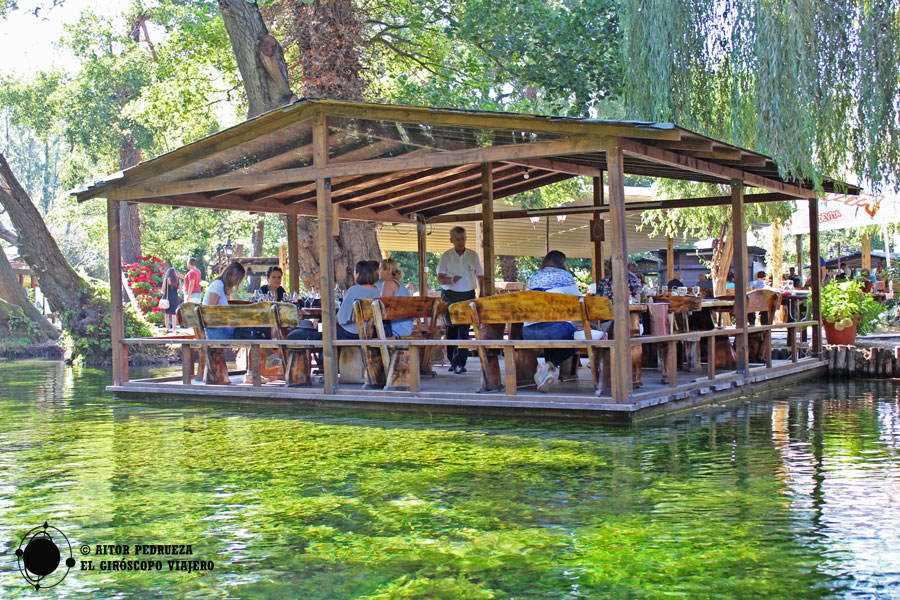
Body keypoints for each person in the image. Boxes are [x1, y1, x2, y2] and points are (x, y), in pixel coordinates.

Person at [523, 251, 582, 393]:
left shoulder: (534, 277)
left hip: (528, 333)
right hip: (554, 330)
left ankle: (545, 374)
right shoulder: (565, 276)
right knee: (577, 338)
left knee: (553, 332)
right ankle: (549, 365)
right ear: (562, 262)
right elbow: (580, 302)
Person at [287, 261, 383, 344]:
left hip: (349, 333)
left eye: (354, 272)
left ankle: (322, 361)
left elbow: (341, 317)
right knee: (324, 330)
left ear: (358, 274)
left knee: (323, 331)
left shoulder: (353, 290)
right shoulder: (376, 291)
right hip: (368, 332)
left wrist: (326, 324)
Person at [437, 226, 484, 374]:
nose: (461, 242)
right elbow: (439, 278)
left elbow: (480, 276)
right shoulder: (446, 256)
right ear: (451, 240)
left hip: (468, 295)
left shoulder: (473, 255)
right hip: (450, 295)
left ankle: (460, 363)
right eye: (457, 239)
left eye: (463, 239)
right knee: (451, 330)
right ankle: (452, 360)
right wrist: (450, 279)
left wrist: (481, 292)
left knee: (464, 331)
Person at [202, 261, 246, 339]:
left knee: (248, 331)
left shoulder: (222, 286)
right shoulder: (218, 285)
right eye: (237, 280)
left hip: (218, 328)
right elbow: (209, 310)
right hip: (215, 330)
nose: (236, 283)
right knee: (246, 333)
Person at [379, 257, 413, 337]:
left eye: (380, 269)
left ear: (387, 270)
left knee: (365, 333)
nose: (378, 272)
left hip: (395, 329)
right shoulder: (399, 284)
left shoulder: (388, 283)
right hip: (406, 327)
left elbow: (381, 308)